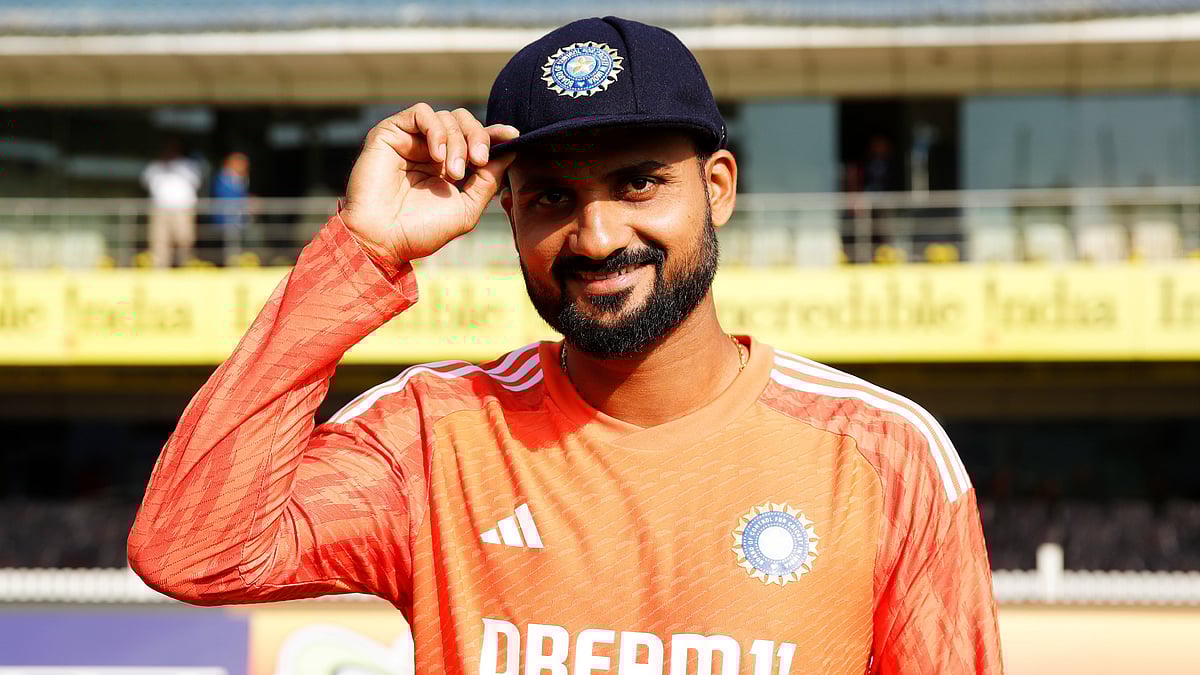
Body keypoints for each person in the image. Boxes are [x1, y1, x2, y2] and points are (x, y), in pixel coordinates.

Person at [127, 16, 1003, 674]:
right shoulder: (437, 435)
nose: (595, 235)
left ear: (719, 188)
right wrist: (363, 253)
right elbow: (188, 549)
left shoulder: (887, 456)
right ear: (507, 214)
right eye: (551, 197)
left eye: (639, 183)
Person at [141, 140, 202, 267]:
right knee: (159, 242)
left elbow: (197, 182)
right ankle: (160, 269)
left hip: (183, 209)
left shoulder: (188, 165)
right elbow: (146, 182)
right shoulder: (155, 166)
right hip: (160, 209)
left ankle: (185, 266)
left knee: (184, 240)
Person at [211, 151, 251, 262]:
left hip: (238, 219)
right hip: (226, 219)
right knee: (230, 244)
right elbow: (225, 196)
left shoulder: (240, 179)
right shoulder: (223, 179)